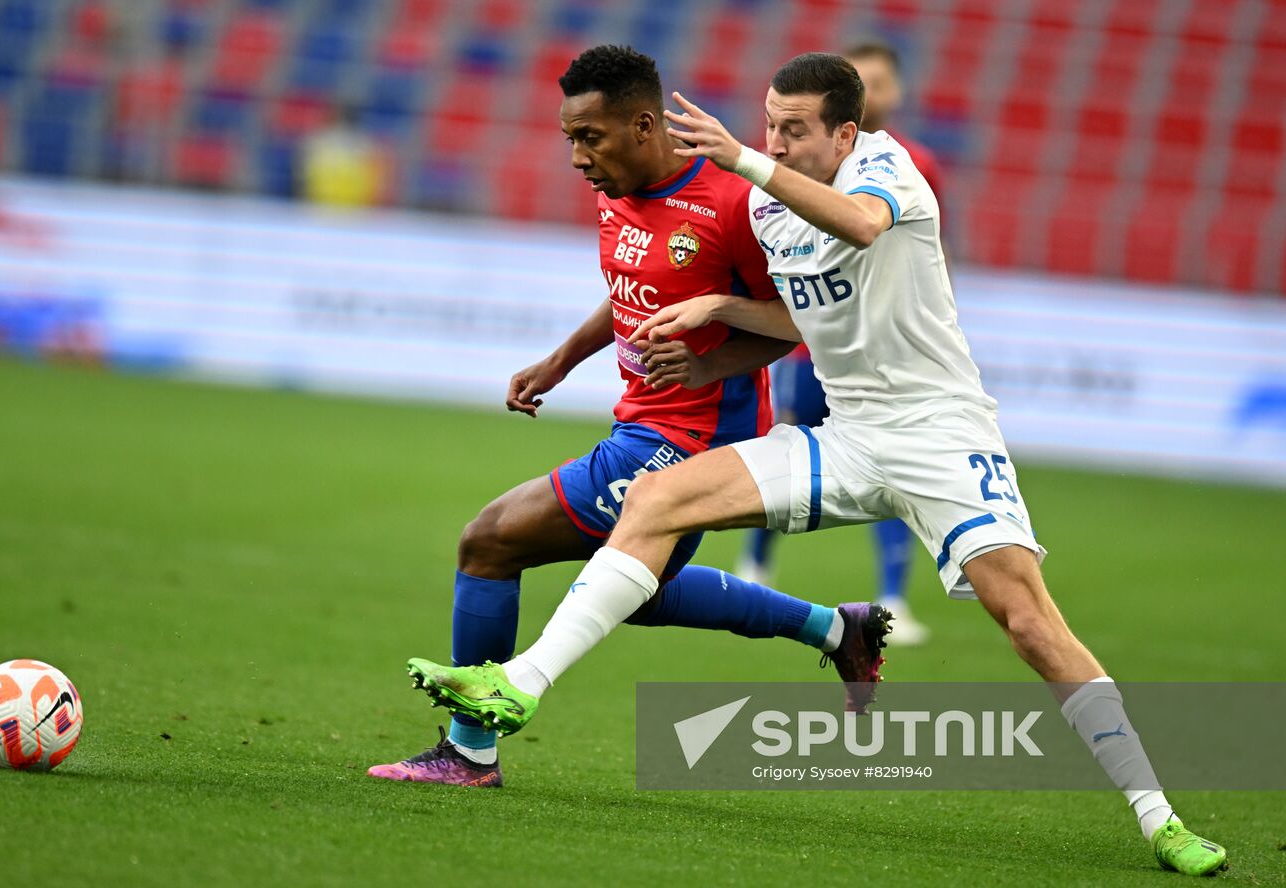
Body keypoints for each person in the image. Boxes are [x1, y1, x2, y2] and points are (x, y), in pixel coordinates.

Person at [402, 52, 1228, 877]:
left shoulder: (887, 167)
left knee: (1030, 625)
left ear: (844, 131)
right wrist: (720, 320)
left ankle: (1160, 820)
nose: (778, 143)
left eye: (794, 130)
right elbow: (784, 315)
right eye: (769, 125)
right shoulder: (765, 207)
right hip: (848, 432)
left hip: (943, 435)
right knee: (655, 502)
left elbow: (862, 225)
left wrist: (742, 162)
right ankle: (520, 685)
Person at [368, 46, 892, 789]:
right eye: (570, 139)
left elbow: (800, 320)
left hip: (691, 439)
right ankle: (838, 627)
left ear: (644, 125)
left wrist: (710, 363)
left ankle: (469, 751)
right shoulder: (617, 186)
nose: (578, 157)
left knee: (489, 542)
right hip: (641, 421)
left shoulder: (733, 202)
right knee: (631, 591)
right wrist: (563, 358)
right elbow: (630, 286)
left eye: (591, 137)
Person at [736, 39, 939, 647]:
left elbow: (904, 240)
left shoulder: (909, 163)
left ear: (894, 94)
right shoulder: (787, 165)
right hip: (809, 350)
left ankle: (893, 598)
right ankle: (754, 566)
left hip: (885, 363)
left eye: (881, 82)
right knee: (789, 440)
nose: (875, 92)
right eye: (863, 81)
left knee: (897, 477)